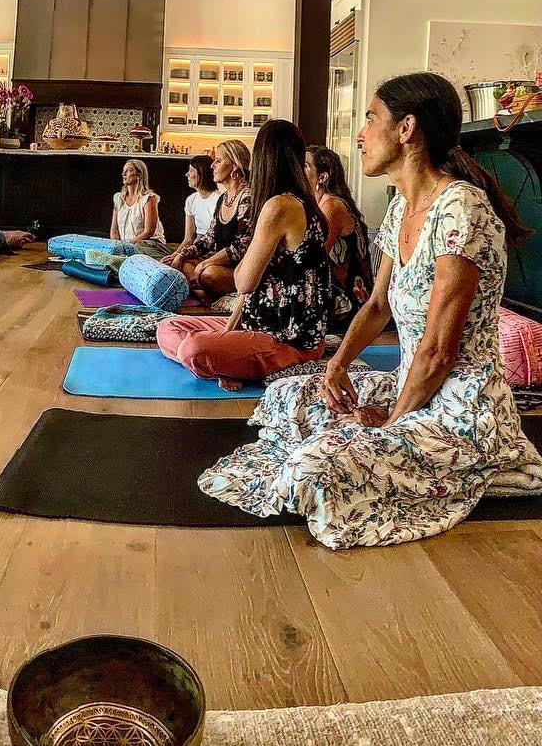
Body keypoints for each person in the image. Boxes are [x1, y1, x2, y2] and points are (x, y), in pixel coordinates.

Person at [198, 72, 542, 549]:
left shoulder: (462, 210)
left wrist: (391, 423)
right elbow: (377, 305)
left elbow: (439, 352)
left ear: (406, 129)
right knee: (291, 396)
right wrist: (336, 367)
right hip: (413, 382)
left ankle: (483, 459)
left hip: (460, 405)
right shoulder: (401, 208)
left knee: (313, 467)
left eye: (370, 118)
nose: (360, 133)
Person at [157, 119, 329, 389]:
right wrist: (229, 334)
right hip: (256, 321)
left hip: (289, 339)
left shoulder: (278, 206)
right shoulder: (303, 202)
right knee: (168, 327)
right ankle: (230, 361)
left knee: (194, 350)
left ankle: (228, 361)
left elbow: (243, 282)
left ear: (263, 159)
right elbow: (249, 291)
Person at [164, 139, 252, 300]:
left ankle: (203, 292)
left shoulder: (247, 198)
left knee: (208, 273)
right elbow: (208, 239)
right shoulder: (223, 198)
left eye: (218, 161)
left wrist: (205, 263)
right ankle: (203, 292)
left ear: (235, 166)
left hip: (239, 270)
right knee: (184, 264)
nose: (212, 166)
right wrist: (181, 255)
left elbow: (241, 248)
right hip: (219, 264)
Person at [306, 144, 374, 331]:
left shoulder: (332, 206)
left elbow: (313, 257)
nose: (297, 170)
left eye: (305, 166)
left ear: (323, 176)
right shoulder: (321, 203)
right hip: (337, 295)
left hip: (347, 303)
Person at [110, 158, 167, 258]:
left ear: (139, 176)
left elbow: (149, 231)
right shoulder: (119, 198)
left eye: (129, 170)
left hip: (147, 244)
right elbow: (114, 230)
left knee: (139, 246)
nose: (124, 174)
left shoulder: (148, 199)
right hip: (126, 246)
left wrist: (128, 245)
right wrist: (118, 248)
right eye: (124, 171)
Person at [178, 154, 219, 255]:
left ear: (202, 173)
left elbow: (214, 237)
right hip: (197, 241)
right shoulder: (191, 200)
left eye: (191, 170)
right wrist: (175, 255)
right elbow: (188, 238)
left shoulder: (219, 199)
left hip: (213, 244)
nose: (187, 174)